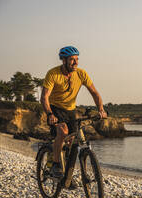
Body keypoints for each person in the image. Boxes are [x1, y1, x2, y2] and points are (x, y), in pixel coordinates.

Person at [40, 46, 107, 182]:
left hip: (70, 110)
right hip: (55, 109)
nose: (75, 62)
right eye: (72, 60)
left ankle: (67, 177)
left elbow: (94, 92)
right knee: (63, 132)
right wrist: (49, 114)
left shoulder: (81, 74)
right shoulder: (53, 74)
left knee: (72, 141)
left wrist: (101, 109)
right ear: (63, 60)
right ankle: (56, 165)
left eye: (77, 59)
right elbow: (44, 97)